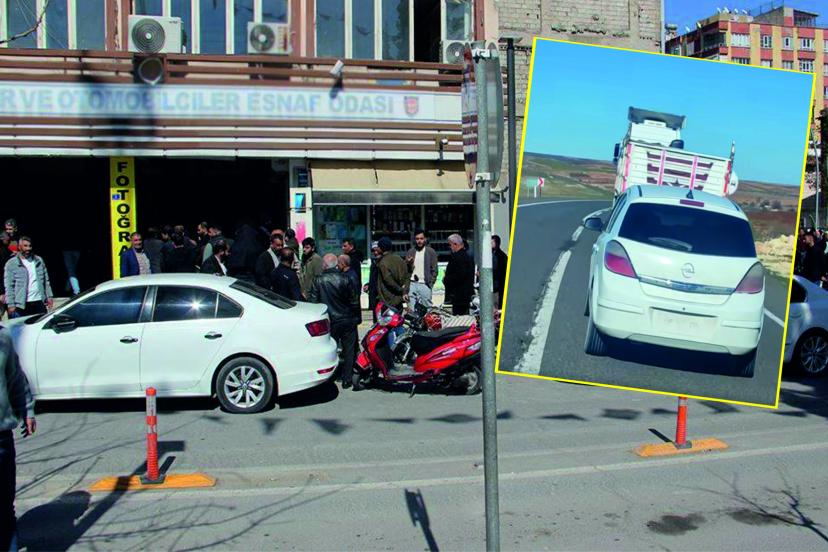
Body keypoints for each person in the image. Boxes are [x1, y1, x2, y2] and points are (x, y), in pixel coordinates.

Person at [0, 329, 36, 552]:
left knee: (4, 508)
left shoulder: (2, 338)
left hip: (1, 437)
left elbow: (15, 378)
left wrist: (27, 409)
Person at [307, 254, 360, 389]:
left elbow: (313, 302)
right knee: (349, 350)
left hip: (329, 320)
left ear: (325, 265)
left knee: (329, 349)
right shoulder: (346, 278)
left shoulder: (318, 280)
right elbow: (354, 301)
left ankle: (329, 377)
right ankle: (347, 378)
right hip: (347, 319)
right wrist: (356, 317)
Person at [4, 237, 53, 318]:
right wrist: (10, 304)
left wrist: (49, 296)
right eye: (25, 246)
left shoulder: (39, 260)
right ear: (19, 247)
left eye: (30, 246)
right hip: (21, 304)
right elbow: (9, 286)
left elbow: (46, 281)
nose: (28, 248)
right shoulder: (11, 263)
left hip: (39, 301)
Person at [405, 229, 438, 308]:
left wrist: (430, 283)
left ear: (425, 239)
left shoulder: (430, 252)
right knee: (412, 308)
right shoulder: (411, 251)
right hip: (412, 283)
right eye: (417, 239)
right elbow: (406, 270)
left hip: (425, 284)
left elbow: (435, 269)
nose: (419, 241)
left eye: (421, 238)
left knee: (427, 308)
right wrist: (408, 263)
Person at [443, 234, 474, 315]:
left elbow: (460, 275)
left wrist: (446, 279)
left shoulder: (458, 257)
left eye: (450, 245)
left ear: (455, 244)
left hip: (459, 295)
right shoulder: (467, 256)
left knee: (459, 318)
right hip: (464, 295)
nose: (450, 247)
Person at [376, 237, 409, 311]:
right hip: (399, 299)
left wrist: (400, 290)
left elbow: (388, 280)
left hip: (388, 300)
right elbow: (407, 276)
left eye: (378, 246)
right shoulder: (399, 259)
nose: (377, 248)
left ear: (381, 248)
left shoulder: (383, 262)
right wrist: (404, 290)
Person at [363, 241, 381, 323]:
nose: (375, 253)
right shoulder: (374, 263)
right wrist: (368, 285)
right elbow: (374, 279)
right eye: (373, 251)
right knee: (375, 321)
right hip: (374, 296)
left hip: (381, 298)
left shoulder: (384, 263)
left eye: (377, 250)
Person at [491, 235, 509, 309]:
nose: (490, 244)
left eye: (492, 242)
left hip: (497, 286)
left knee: (496, 306)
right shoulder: (492, 254)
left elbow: (496, 270)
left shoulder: (500, 256)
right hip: (495, 286)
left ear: (497, 243)